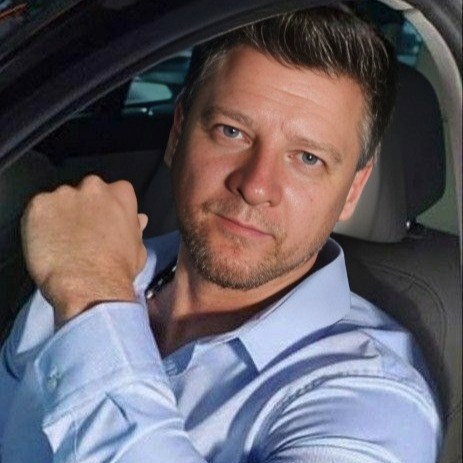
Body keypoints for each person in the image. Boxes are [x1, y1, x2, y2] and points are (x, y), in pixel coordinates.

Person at [0, 6, 441, 463]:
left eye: (308, 158)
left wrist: (94, 302)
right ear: (177, 134)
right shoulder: (91, 262)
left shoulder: (375, 400)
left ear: (352, 191)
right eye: (232, 131)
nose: (256, 185)